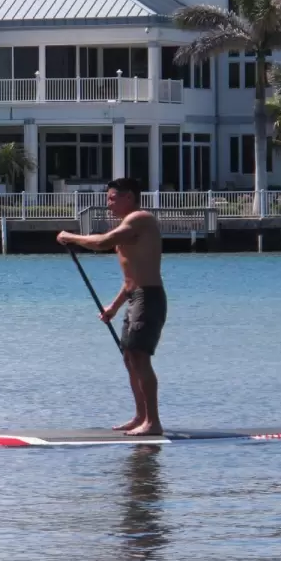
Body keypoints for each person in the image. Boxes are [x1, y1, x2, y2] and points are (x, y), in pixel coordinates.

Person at [56, 177, 166, 436]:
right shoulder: (127, 226)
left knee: (140, 358)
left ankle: (154, 422)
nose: (108, 204)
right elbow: (130, 278)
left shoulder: (140, 219)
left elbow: (102, 242)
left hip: (149, 298)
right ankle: (140, 417)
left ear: (129, 196)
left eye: (112, 198)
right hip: (135, 297)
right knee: (129, 359)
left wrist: (70, 236)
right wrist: (114, 307)